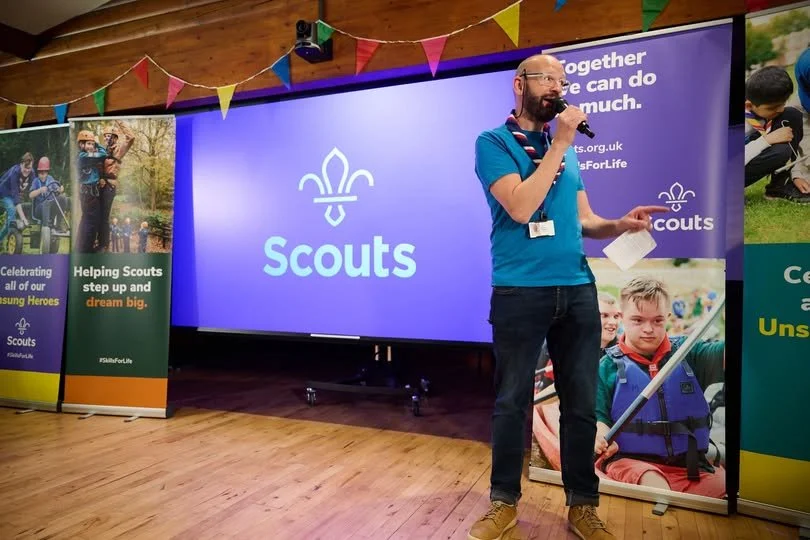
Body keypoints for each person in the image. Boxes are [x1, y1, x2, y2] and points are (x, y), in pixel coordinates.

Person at [470, 53, 668, 540]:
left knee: (580, 404)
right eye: (549, 79)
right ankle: (503, 503)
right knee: (512, 401)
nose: (559, 88)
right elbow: (520, 206)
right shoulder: (492, 143)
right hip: (520, 291)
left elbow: (583, 219)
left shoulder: (568, 151)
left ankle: (583, 504)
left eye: (563, 80)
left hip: (577, 290)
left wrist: (618, 224)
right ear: (520, 85)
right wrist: (559, 141)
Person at [594, 277, 726, 498]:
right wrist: (600, 436)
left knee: (723, 493)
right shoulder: (606, 367)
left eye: (657, 321)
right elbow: (599, 418)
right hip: (631, 462)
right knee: (656, 487)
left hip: (690, 464)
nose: (649, 329)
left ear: (668, 318)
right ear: (622, 318)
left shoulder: (689, 352)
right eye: (637, 320)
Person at [744, 65, 810, 203]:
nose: (780, 110)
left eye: (783, 103)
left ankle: (779, 185)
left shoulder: (773, 110)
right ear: (749, 106)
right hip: (722, 174)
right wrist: (766, 141)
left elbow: (794, 144)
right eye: (772, 107)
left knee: (792, 114)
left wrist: (797, 174)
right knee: (780, 151)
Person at [0, 152, 34, 249]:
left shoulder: (32, 172)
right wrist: (23, 218)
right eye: (25, 168)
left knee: (11, 220)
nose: (27, 171)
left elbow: (33, 187)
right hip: (3, 193)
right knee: (12, 210)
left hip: (13, 195)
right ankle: (6, 240)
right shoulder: (15, 172)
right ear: (21, 164)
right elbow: (15, 197)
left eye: (29, 168)